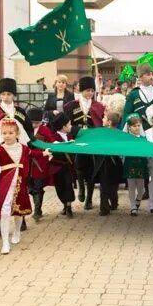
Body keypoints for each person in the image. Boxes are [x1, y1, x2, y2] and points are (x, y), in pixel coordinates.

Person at [0, 118, 52, 255]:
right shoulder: (0, 149)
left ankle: (17, 231)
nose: (7, 136)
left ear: (17, 134)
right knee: (5, 211)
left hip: (20, 184)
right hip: (5, 186)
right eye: (4, 133)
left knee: (18, 211)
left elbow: (33, 154)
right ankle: (5, 242)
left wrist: (44, 153)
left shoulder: (23, 148)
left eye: (10, 133)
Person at [0, 78, 35, 239]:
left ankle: (21, 217)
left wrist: (32, 146)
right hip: (1, 154)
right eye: (3, 94)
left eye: (9, 94)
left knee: (20, 187)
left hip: (19, 153)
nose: (6, 97)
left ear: (14, 95)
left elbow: (29, 130)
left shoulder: (20, 112)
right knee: (0, 187)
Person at [65, 76, 105, 210]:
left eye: (92, 91)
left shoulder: (98, 106)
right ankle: (81, 186)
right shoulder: (70, 106)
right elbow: (67, 124)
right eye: (87, 90)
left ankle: (89, 198)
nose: (90, 93)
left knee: (91, 170)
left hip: (92, 141)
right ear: (81, 90)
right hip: (76, 140)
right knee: (78, 166)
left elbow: (101, 124)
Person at [35, 112, 76, 218]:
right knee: (60, 187)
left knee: (68, 186)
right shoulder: (54, 137)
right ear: (63, 126)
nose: (71, 126)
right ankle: (64, 204)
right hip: (57, 167)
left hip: (68, 166)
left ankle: (69, 207)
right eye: (69, 124)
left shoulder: (70, 135)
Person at [94, 110, 123, 216]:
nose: (102, 119)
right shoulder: (119, 133)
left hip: (107, 162)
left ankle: (105, 208)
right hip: (114, 162)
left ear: (110, 122)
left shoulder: (103, 133)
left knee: (105, 185)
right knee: (112, 184)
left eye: (105, 118)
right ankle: (114, 203)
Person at [125, 64, 153, 130]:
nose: (151, 77)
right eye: (148, 75)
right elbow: (127, 115)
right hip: (138, 133)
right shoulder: (133, 95)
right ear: (140, 77)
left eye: (152, 74)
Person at [122, 113, 148, 216]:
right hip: (130, 165)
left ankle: (138, 200)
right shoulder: (126, 139)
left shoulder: (143, 139)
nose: (137, 128)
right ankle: (133, 206)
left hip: (141, 165)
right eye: (134, 126)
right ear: (129, 127)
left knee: (141, 189)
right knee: (131, 187)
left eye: (138, 125)